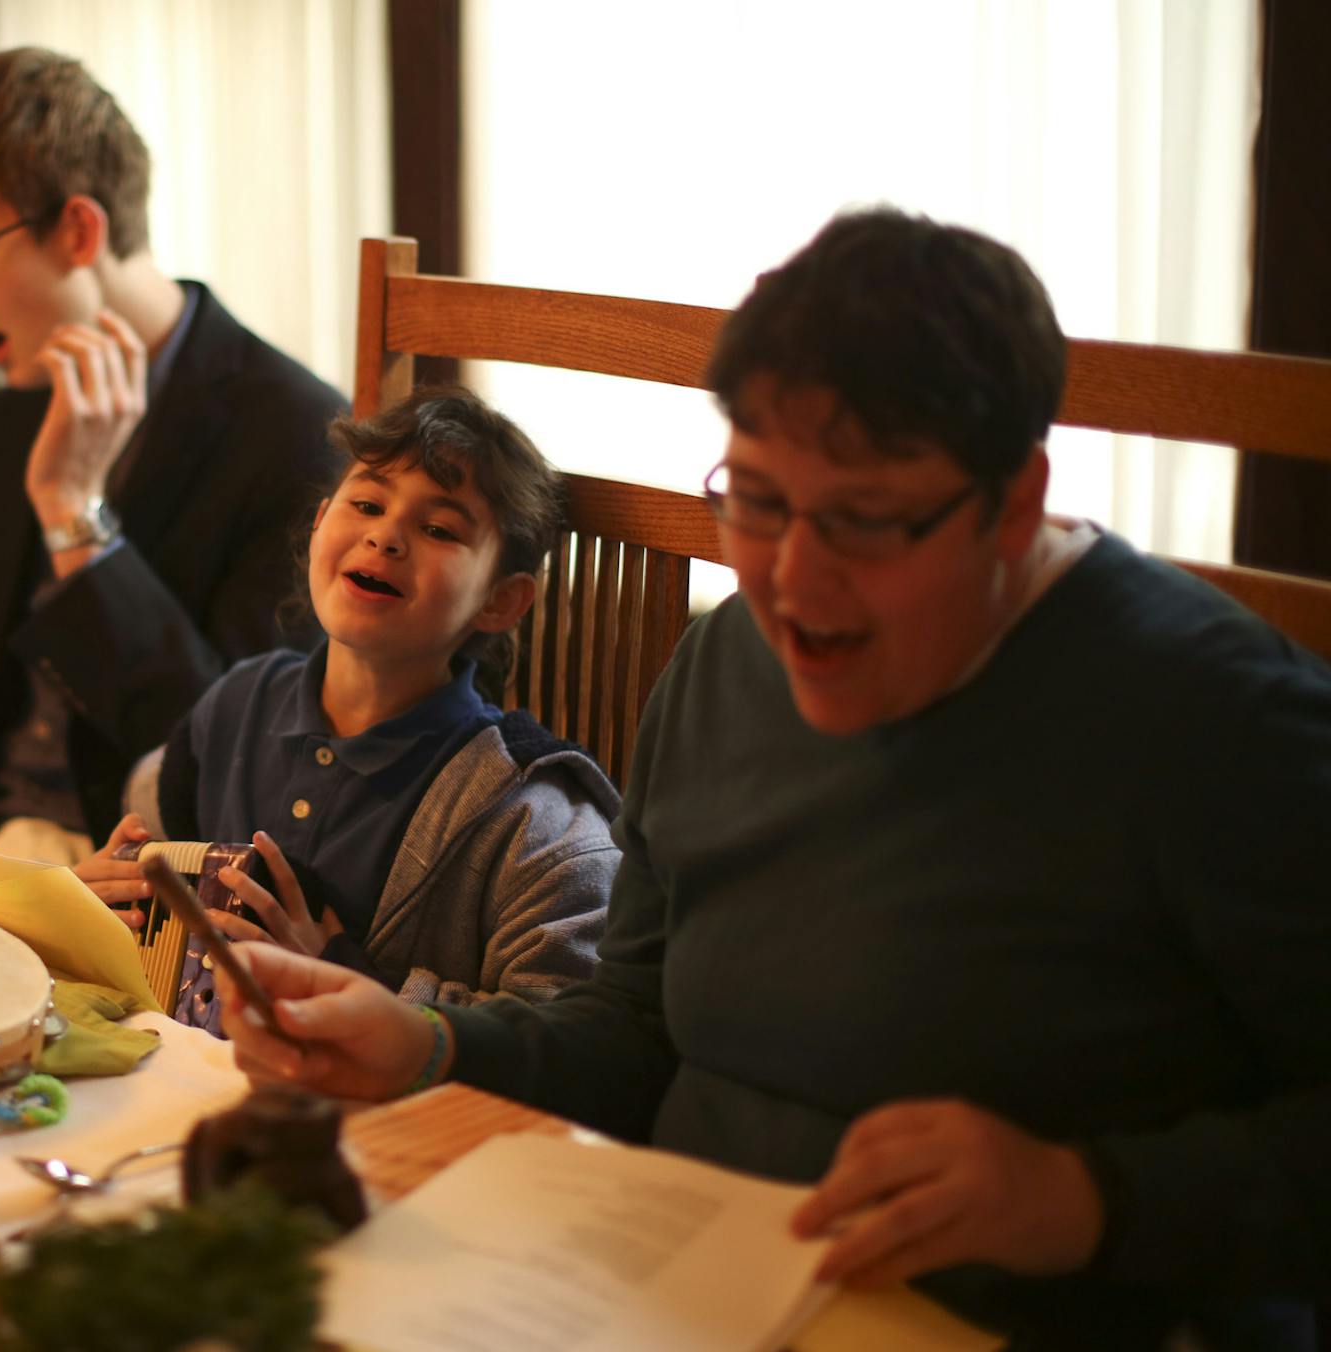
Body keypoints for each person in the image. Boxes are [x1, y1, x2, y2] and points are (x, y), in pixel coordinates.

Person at [217, 209, 1331, 1346]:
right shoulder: (727, 659)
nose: (793, 582)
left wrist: (1086, 1198)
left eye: (861, 521)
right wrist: (429, 1043)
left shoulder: (1217, 719)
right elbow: (637, 1025)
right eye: (755, 501)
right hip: (684, 1284)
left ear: (1015, 501)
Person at [0, 47, 346, 856]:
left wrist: (76, 518)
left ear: (79, 228)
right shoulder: (20, 389)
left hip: (136, 877)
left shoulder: (297, 435)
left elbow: (227, 763)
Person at [76, 387, 615, 1027]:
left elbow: (570, 1041)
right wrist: (103, 906)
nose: (385, 536)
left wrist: (344, 980)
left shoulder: (528, 815)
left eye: (438, 528)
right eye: (366, 503)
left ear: (500, 601)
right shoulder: (236, 705)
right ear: (320, 525)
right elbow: (151, 854)